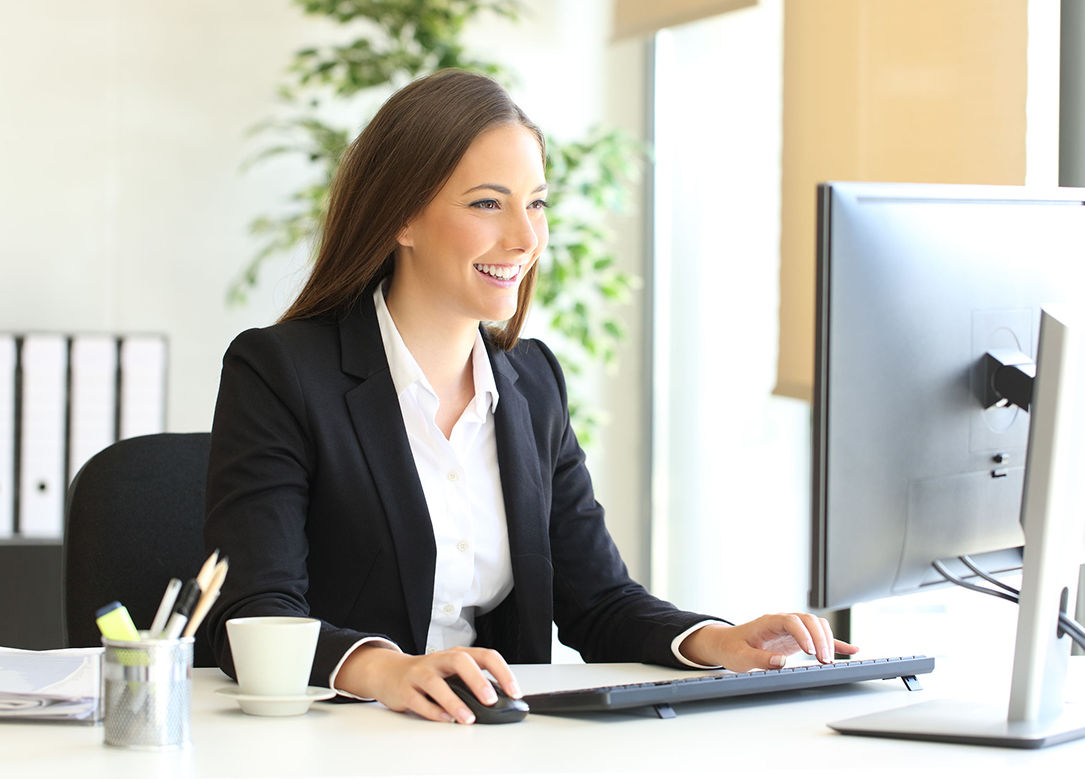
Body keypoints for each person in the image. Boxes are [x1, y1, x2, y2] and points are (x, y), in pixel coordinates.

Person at [204, 69, 857, 725]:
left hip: (494, 743)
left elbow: (597, 600)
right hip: (337, 744)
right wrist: (387, 670)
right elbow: (253, 614)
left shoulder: (532, 381)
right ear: (402, 216)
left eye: (536, 203)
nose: (525, 238)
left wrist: (716, 641)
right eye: (489, 204)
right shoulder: (280, 373)